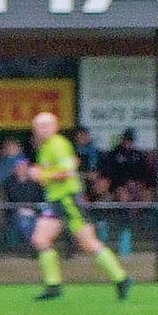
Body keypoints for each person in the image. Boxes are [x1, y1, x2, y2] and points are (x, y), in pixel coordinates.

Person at [28, 112, 131, 301]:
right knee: (40, 239)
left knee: (88, 243)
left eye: (46, 125)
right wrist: (41, 175)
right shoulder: (44, 147)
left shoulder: (59, 145)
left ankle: (121, 278)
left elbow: (67, 172)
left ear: (55, 126)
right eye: (38, 126)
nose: (42, 129)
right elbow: (52, 175)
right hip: (55, 201)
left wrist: (42, 175)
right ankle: (53, 285)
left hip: (68, 200)